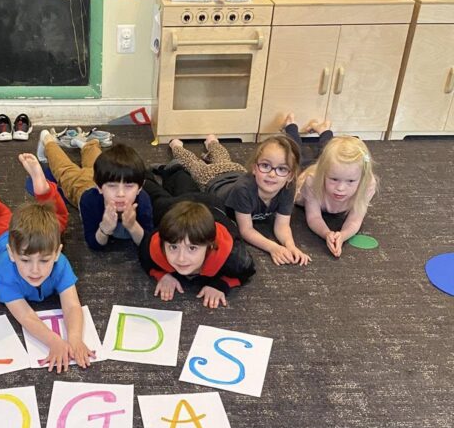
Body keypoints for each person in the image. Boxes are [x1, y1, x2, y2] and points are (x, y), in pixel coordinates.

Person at [0, 158, 94, 373]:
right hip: (4, 237)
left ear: (57, 253)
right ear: (13, 255)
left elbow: (72, 305)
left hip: (34, 240)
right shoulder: (6, 273)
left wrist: (75, 339)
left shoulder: (61, 264)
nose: (35, 270)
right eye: (25, 261)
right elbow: (26, 315)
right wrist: (54, 341)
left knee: (58, 218)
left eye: (45, 260)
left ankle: (44, 188)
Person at [164, 134, 311, 266]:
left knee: (223, 158)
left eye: (282, 169)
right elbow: (246, 230)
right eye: (265, 166)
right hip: (212, 179)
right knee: (193, 164)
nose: (272, 174)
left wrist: (290, 246)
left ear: (290, 176)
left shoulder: (288, 187)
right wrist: (273, 247)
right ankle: (176, 146)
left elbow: (282, 225)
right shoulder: (244, 190)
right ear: (254, 168)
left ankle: (212, 142)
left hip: (236, 170)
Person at [34, 129, 153, 251]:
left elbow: (148, 243)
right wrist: (104, 229)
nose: (120, 194)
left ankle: (88, 145)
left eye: (128, 186)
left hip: (105, 178)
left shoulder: (142, 201)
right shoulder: (89, 200)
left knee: (97, 163)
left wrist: (133, 226)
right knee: (65, 170)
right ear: (99, 187)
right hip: (82, 187)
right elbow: (93, 242)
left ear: (140, 187)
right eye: (113, 186)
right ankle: (47, 140)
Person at [281, 116, 378, 258]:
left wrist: (342, 235)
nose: (340, 188)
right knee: (297, 155)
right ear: (324, 173)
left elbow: (355, 219)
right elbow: (314, 217)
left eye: (350, 181)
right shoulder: (312, 181)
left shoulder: (367, 184)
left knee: (332, 152)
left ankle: (324, 130)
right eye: (334, 180)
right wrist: (326, 233)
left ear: (361, 178)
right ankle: (290, 126)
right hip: (305, 172)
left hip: (328, 169)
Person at [138, 200, 255, 308]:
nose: (181, 258)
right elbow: (144, 253)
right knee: (158, 198)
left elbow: (248, 271)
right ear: (163, 243)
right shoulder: (155, 245)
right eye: (173, 247)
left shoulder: (235, 258)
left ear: (209, 246)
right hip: (175, 204)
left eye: (192, 248)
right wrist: (161, 275)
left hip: (212, 204)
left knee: (181, 181)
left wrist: (221, 285)